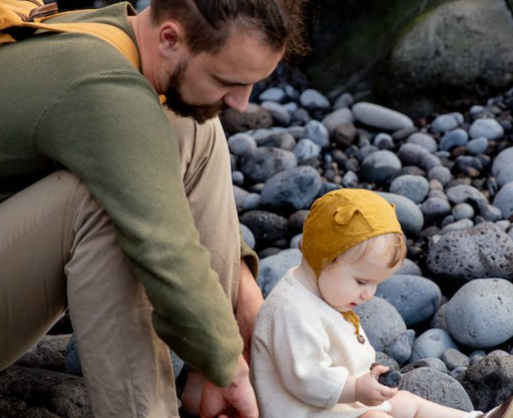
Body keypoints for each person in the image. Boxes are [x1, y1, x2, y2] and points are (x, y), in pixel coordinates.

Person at [0, 1, 308, 417]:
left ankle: (207, 372)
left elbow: (150, 169)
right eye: (228, 80)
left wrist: (241, 291)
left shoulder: (111, 30)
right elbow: (163, 245)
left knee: (195, 122)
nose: (242, 102)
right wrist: (229, 369)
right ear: (169, 37)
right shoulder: (103, 85)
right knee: (107, 206)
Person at [251, 188, 512, 418]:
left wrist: (369, 375)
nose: (369, 294)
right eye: (362, 281)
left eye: (376, 283)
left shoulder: (328, 293)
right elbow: (305, 378)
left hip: (341, 405)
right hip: (307, 410)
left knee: (407, 403)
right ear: (325, 259)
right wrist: (355, 388)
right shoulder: (292, 310)